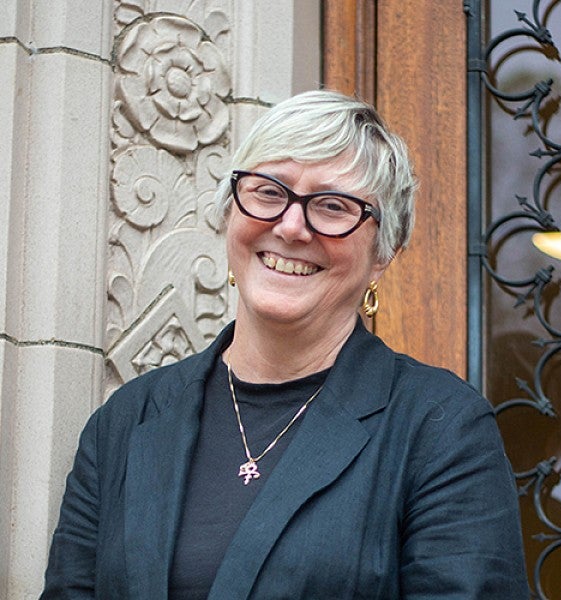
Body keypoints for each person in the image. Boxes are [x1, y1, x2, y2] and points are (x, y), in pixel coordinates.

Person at [41, 90, 529, 599]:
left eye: (333, 206)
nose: (291, 227)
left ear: (384, 253)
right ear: (231, 211)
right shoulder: (125, 422)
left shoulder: (442, 429)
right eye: (269, 192)